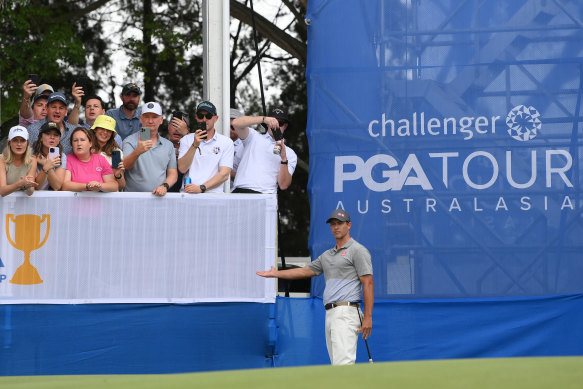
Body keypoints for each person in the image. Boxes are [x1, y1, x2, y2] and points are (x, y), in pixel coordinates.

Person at [257, 209, 373, 365]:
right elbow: (304, 271)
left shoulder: (358, 250)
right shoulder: (327, 255)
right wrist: (276, 274)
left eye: (339, 223)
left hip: (347, 312)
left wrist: (368, 317)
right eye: (333, 224)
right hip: (331, 313)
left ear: (349, 225)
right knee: (337, 364)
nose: (336, 227)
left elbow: (368, 283)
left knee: (343, 364)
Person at [231, 107, 297, 193]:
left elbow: (283, 185)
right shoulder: (253, 137)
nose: (275, 125)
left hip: (265, 195)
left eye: (279, 123)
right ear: (267, 124)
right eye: (272, 122)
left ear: (285, 126)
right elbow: (235, 123)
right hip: (241, 191)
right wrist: (263, 119)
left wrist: (284, 159)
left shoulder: (290, 153)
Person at [122, 102, 177, 196]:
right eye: (146, 116)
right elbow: (125, 166)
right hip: (133, 199)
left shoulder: (168, 145)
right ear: (141, 119)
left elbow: (173, 174)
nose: (150, 121)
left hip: (158, 198)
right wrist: (137, 152)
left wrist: (164, 186)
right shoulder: (130, 141)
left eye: (155, 117)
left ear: (161, 120)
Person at [177, 101, 233, 194]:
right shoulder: (186, 140)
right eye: (200, 116)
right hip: (188, 194)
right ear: (196, 118)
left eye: (208, 116)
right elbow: (182, 168)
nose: (204, 119)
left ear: (216, 118)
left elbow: (224, 174)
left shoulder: (226, 142)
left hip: (213, 196)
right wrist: (195, 145)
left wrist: (201, 188)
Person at [62, 127, 118, 192]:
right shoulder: (68, 159)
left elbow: (114, 186)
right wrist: (87, 186)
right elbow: (65, 186)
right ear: (72, 144)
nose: (79, 143)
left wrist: (99, 186)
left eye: (82, 140)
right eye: (75, 140)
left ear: (90, 143)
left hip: (98, 201)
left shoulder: (100, 159)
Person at [0, 126, 38, 197]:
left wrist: (28, 186)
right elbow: (2, 191)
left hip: (22, 204)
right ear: (9, 142)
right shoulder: (1, 160)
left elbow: (30, 192)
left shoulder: (32, 160)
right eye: (15, 140)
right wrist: (19, 184)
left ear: (27, 143)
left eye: (22, 140)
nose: (19, 144)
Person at [91, 115, 126, 191]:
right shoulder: (86, 149)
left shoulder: (116, 152)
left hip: (109, 198)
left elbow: (121, 186)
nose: (105, 132)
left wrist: (117, 175)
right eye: (102, 128)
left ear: (112, 134)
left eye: (109, 130)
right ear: (95, 129)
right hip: (90, 196)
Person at [33, 121, 67, 191]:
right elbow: (36, 186)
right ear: (40, 138)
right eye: (48, 134)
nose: (52, 137)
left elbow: (57, 186)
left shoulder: (62, 156)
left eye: (56, 135)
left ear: (59, 140)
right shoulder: (31, 153)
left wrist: (46, 164)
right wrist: (47, 165)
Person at [166, 110, 190, 192]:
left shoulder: (193, 147)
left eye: (181, 126)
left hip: (185, 194)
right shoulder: (159, 145)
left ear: (187, 130)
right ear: (168, 127)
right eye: (174, 125)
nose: (177, 129)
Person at [229, 108, 245, 186]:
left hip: (238, 193)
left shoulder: (246, 146)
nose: (230, 130)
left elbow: (246, 176)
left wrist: (224, 172)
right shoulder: (217, 143)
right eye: (227, 126)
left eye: (233, 127)